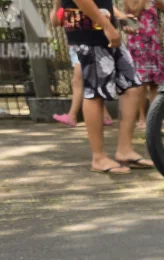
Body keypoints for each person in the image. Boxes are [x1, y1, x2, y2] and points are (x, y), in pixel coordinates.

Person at [61, 0, 151, 173]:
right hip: (88, 33)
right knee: (95, 93)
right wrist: (106, 25)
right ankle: (99, 158)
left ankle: (125, 150)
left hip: (105, 30)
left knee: (132, 86)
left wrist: (120, 17)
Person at [52, 0, 113, 127]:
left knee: (80, 81)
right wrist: (57, 4)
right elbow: (55, 21)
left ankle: (72, 115)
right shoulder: (65, 4)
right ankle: (104, 115)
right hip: (75, 45)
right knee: (88, 82)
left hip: (86, 42)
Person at [125, 0, 164, 129]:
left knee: (154, 83)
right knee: (141, 83)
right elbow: (133, 13)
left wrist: (161, 31)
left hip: (152, 45)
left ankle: (154, 116)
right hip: (137, 45)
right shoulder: (130, 2)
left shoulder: (154, 2)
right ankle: (141, 117)